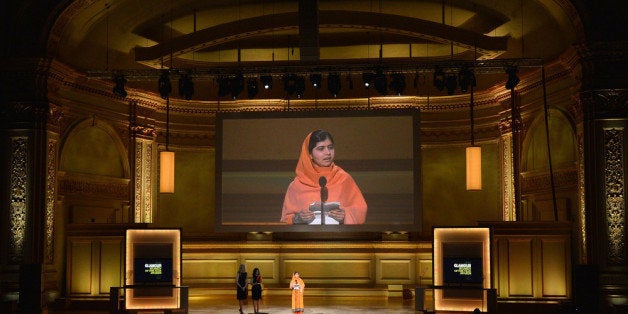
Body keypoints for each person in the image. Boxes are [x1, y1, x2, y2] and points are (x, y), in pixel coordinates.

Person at [280, 130, 367, 225]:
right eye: (321, 149)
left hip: (339, 237)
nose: (328, 152)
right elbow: (285, 220)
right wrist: (297, 219)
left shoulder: (344, 179)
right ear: (309, 154)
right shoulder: (297, 185)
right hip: (305, 238)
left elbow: (360, 209)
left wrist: (345, 215)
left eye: (330, 147)